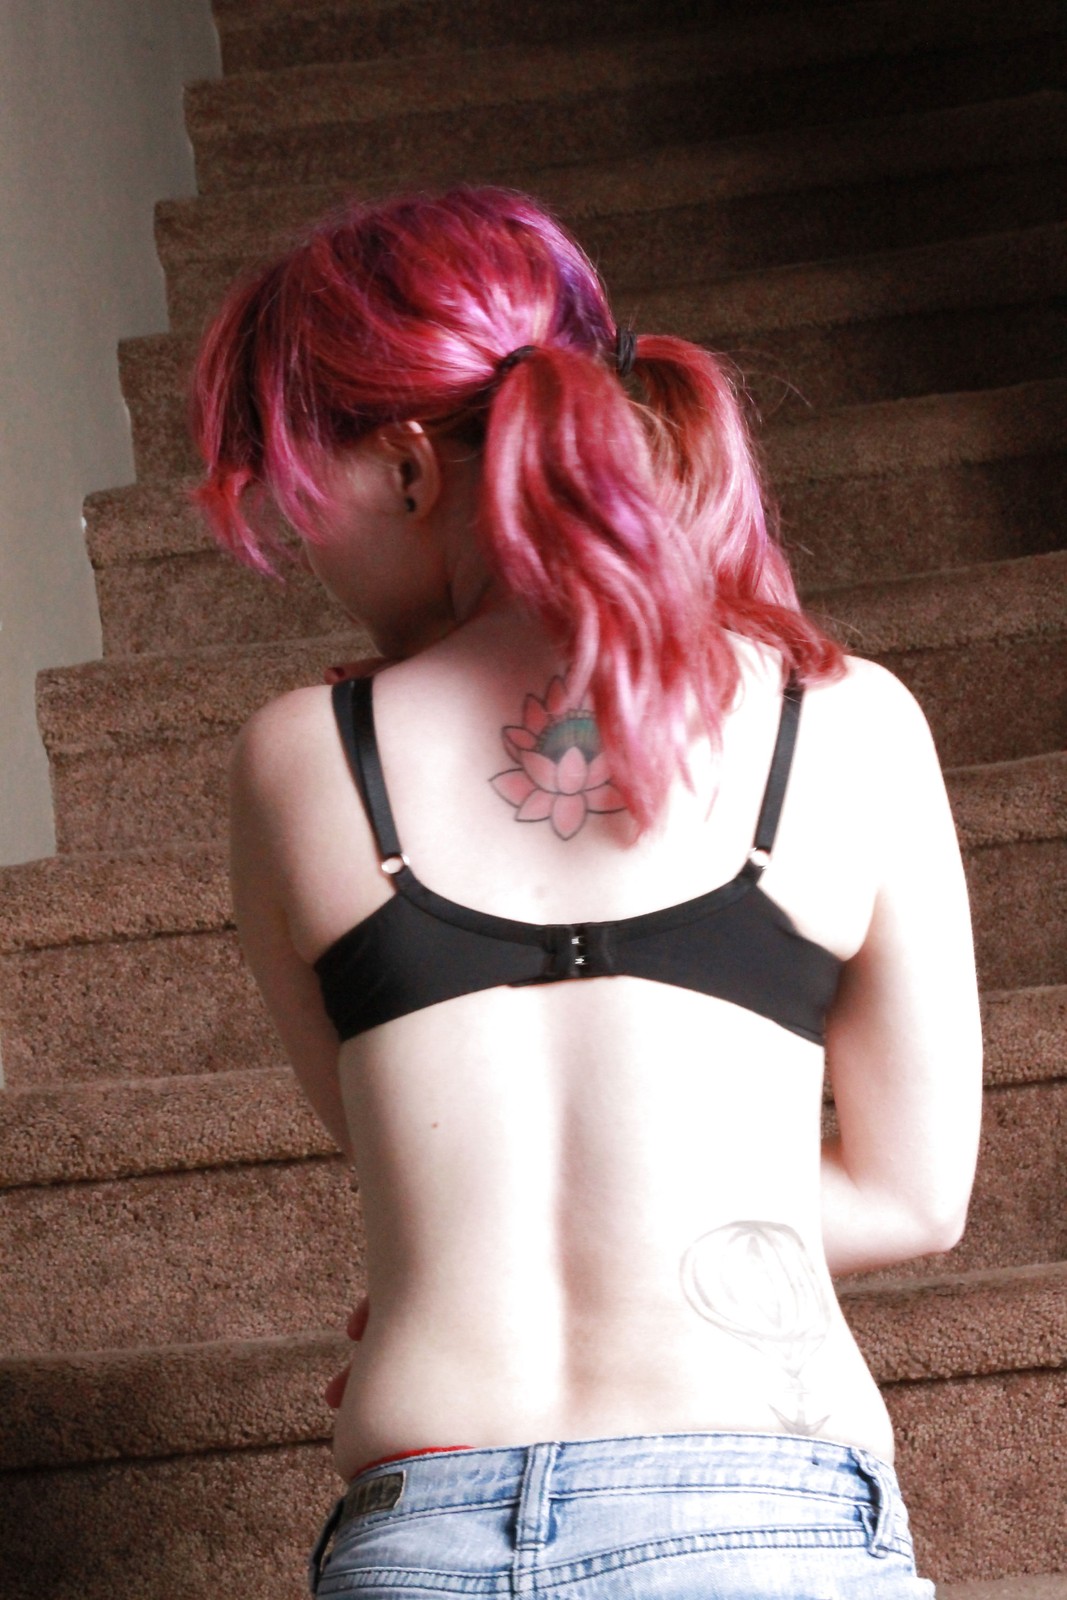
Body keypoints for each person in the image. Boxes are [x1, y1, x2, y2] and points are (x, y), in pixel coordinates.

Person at [191, 185, 982, 1599]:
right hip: (768, 1521)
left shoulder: (301, 762)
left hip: (426, 1529)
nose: (296, 544)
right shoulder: (845, 718)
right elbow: (914, 1196)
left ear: (410, 469)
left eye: (295, 488)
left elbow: (412, 1169)